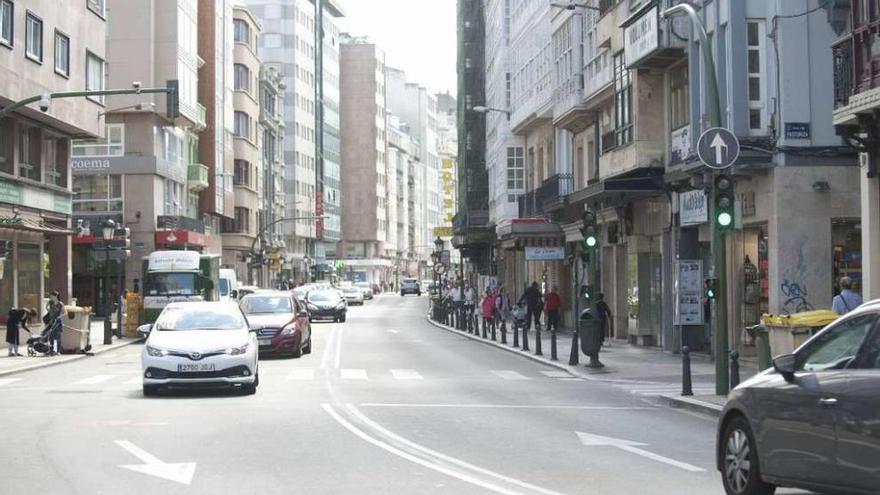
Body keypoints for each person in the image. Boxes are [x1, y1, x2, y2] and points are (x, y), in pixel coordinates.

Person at [44, 290, 65, 356]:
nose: (51, 297)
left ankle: (58, 351)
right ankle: (51, 350)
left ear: (56, 296)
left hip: (58, 322)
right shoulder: (50, 303)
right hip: (52, 321)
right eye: (50, 296)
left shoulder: (60, 304)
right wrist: (49, 311)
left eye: (52, 296)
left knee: (58, 336)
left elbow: (65, 313)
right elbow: (46, 307)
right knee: (51, 336)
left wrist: (59, 316)